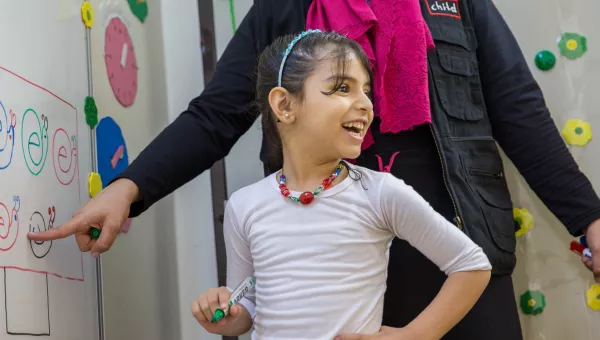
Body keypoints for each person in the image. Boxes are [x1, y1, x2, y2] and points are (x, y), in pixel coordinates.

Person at [28, 0, 600, 339]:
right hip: (327, 258)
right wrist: (128, 188)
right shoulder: (282, 4)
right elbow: (216, 114)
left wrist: (590, 221)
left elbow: (519, 110)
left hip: (456, 247)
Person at [191, 29, 492, 339]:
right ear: (284, 106)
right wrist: (231, 315)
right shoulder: (244, 205)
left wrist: (415, 335)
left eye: (366, 91)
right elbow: (250, 304)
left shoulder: (379, 194)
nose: (365, 104)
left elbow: (472, 265)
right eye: (342, 88)